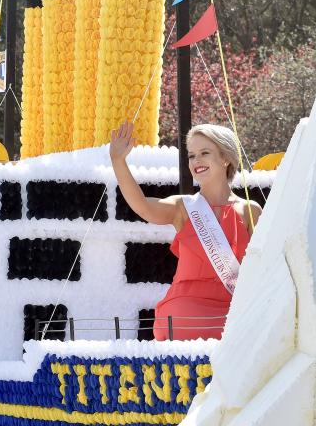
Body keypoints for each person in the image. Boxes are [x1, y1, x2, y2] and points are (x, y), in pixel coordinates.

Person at [110, 121, 262, 340]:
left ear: (225, 158)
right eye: (191, 156)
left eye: (204, 153)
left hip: (234, 308)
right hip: (185, 310)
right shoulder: (183, 207)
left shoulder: (250, 210)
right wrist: (118, 161)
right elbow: (142, 206)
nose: (196, 161)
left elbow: (262, 266)